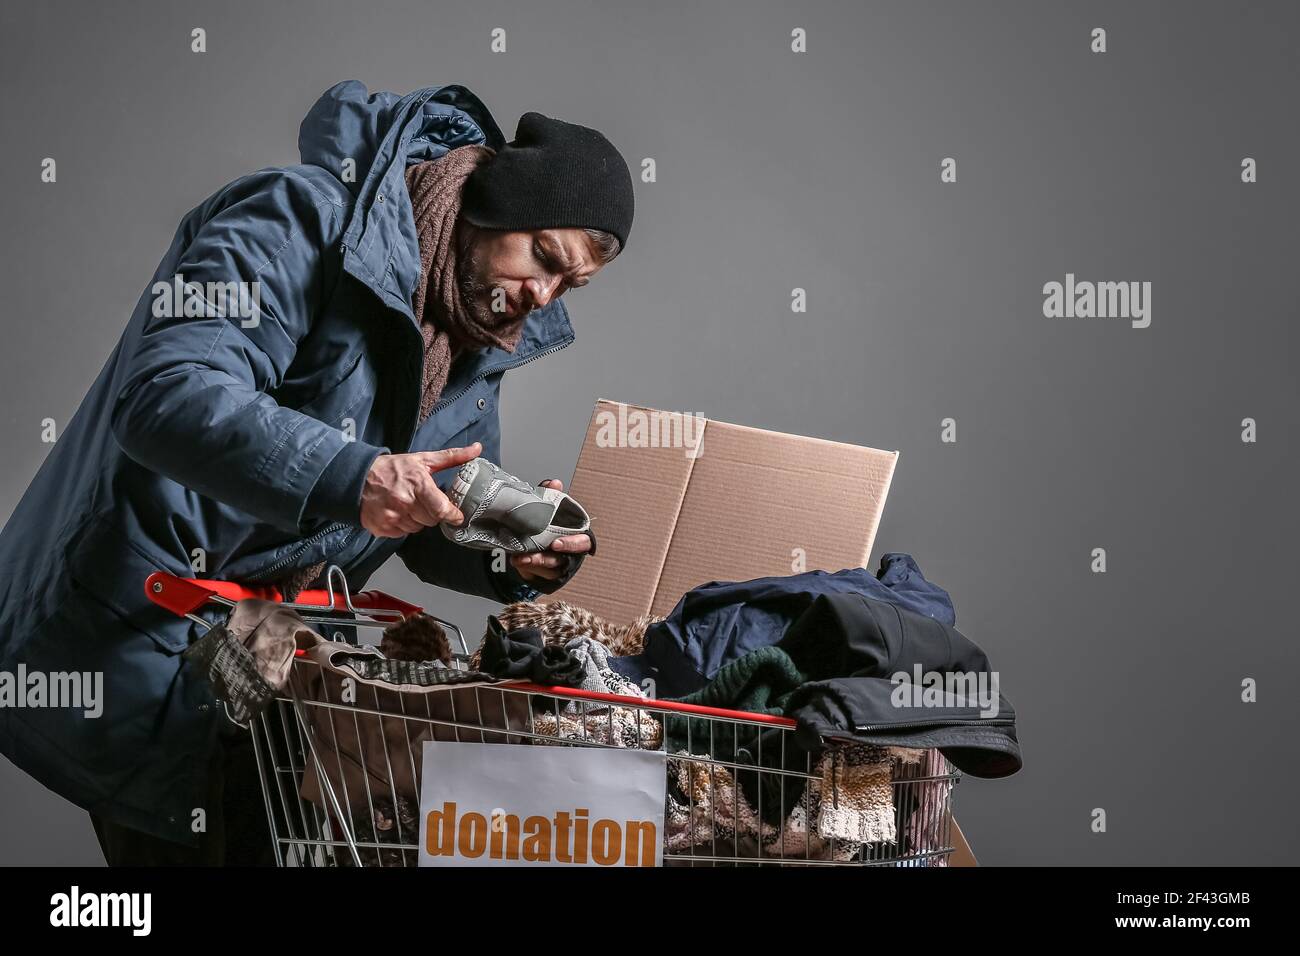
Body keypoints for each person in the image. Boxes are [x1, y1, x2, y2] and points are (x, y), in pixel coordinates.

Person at [0, 80, 634, 865]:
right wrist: (354, 474)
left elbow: (422, 508)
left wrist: (509, 555)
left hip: (279, 665)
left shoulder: (469, 329)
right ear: (491, 201)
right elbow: (167, 395)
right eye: (542, 257)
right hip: (143, 636)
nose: (540, 296)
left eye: (568, 285)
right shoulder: (295, 218)